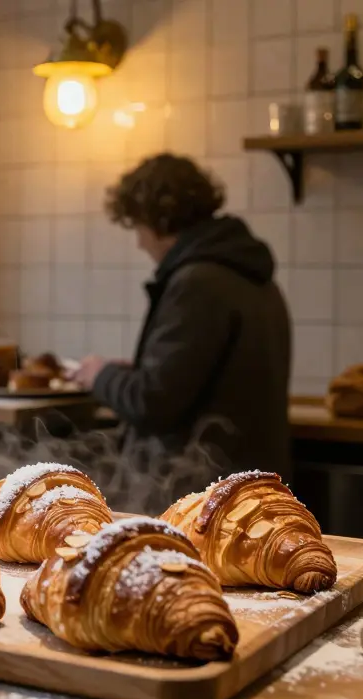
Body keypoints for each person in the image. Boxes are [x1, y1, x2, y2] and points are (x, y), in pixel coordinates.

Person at [69, 154, 292, 512]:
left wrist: (100, 374)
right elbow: (202, 382)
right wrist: (135, 371)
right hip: (241, 492)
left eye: (138, 227)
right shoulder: (252, 276)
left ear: (159, 220)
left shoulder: (197, 283)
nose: (140, 243)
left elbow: (153, 401)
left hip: (197, 499)